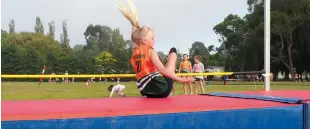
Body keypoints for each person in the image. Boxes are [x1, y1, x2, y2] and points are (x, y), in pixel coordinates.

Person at [116, 0, 192, 98]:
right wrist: (182, 80)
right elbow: (163, 70)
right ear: (143, 40)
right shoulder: (151, 51)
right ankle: (171, 56)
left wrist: (133, 21)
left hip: (145, 90)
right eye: (152, 38)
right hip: (162, 89)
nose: (154, 40)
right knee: (173, 53)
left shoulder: (135, 50)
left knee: (160, 67)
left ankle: (166, 61)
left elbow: (134, 36)